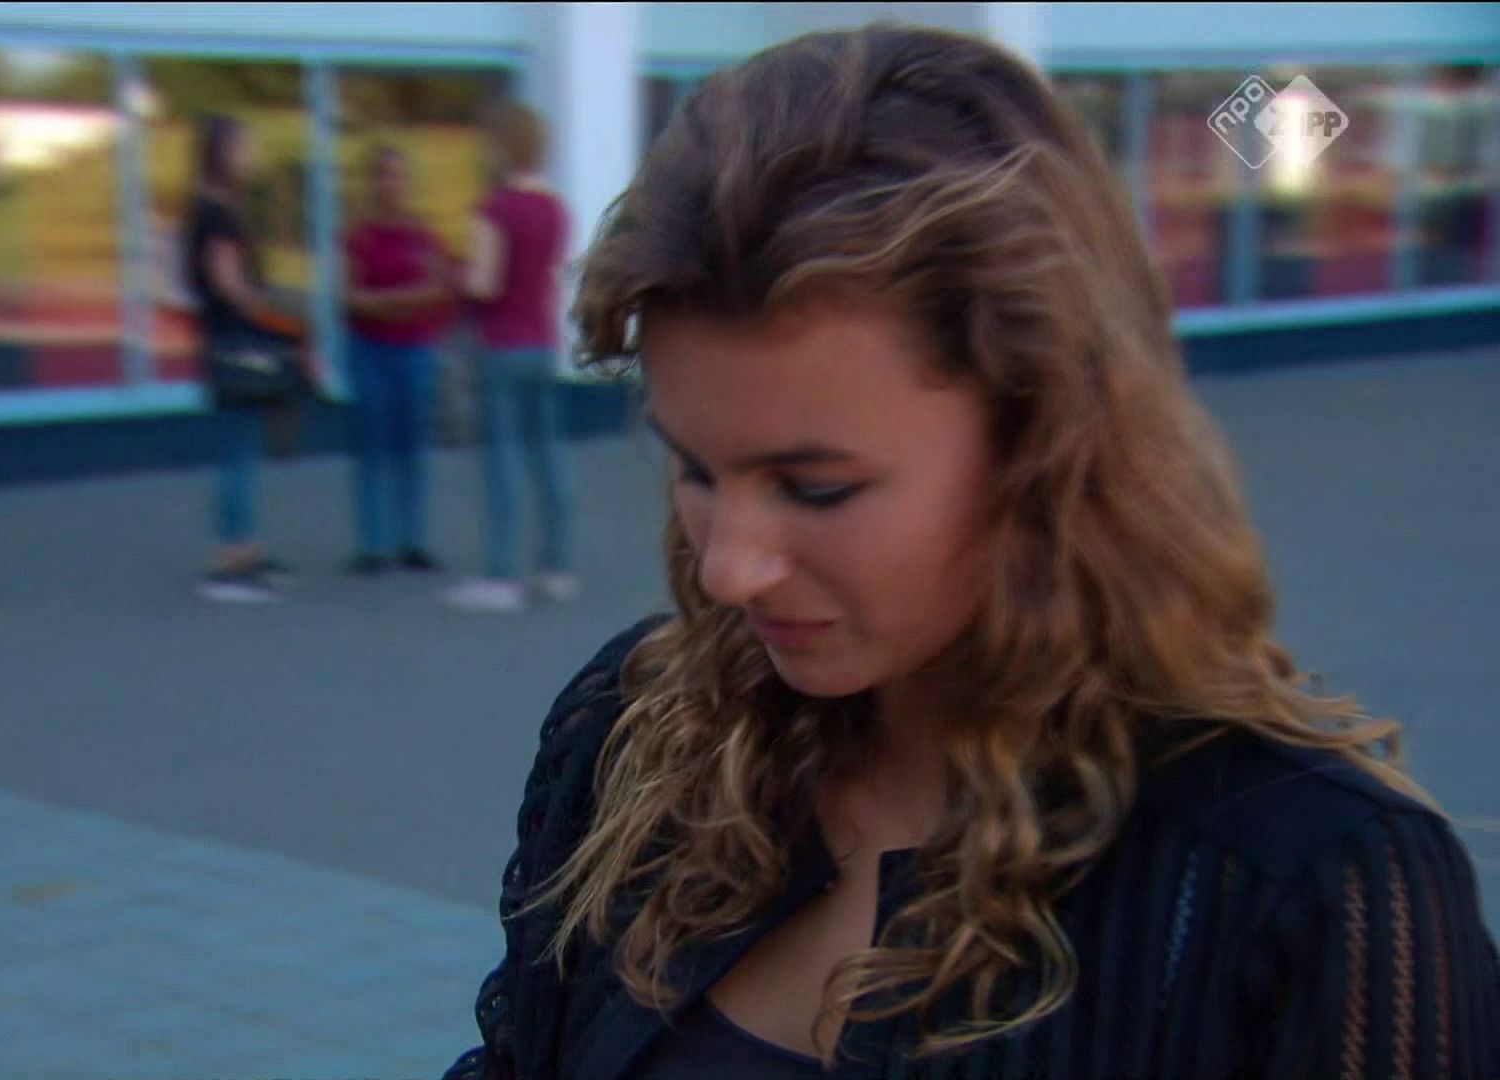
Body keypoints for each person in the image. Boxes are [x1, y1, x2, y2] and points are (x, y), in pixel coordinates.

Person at [444, 24, 1498, 1080]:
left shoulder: (1302, 887)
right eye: (698, 469)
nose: (729, 569)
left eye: (817, 487)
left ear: (1047, 448)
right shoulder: (633, 734)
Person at [442, 102, 576, 614]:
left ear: (500, 147)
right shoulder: (554, 210)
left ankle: (502, 574)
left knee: (502, 461)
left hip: (499, 344)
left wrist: (453, 275)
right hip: (541, 341)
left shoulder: (495, 209)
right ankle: (555, 567)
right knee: (548, 454)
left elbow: (485, 283)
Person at [185, 114, 316, 604]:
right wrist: (279, 319)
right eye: (243, 147)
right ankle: (231, 556)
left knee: (242, 448)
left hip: (234, 342)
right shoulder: (215, 215)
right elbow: (230, 286)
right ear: (222, 153)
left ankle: (245, 547)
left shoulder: (220, 209)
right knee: (236, 450)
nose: (250, 157)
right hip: (234, 346)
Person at [342, 144, 453, 575]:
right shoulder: (359, 237)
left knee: (413, 444)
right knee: (372, 443)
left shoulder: (422, 236)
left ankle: (412, 540)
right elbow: (352, 298)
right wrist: (405, 301)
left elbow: (439, 290)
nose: (391, 183)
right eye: (383, 175)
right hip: (369, 351)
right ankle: (372, 545)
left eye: (398, 175)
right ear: (372, 182)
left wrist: (384, 302)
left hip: (414, 350)